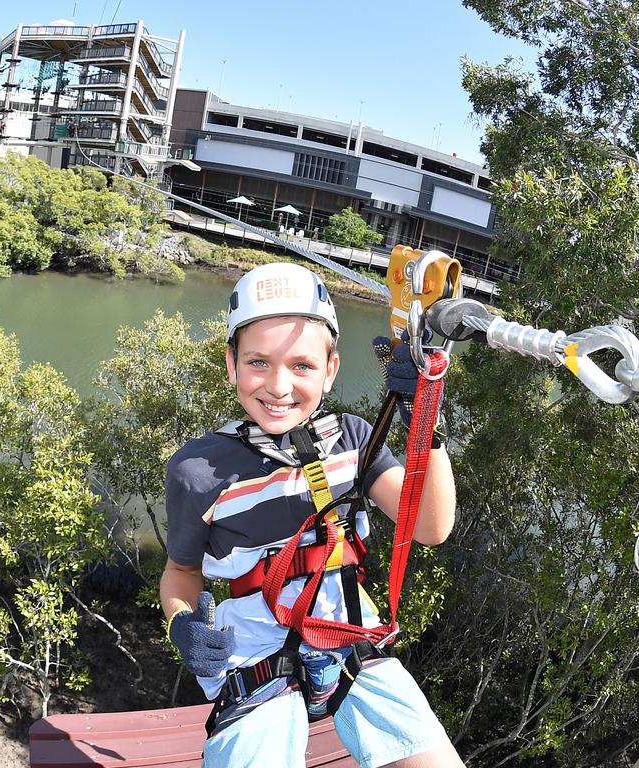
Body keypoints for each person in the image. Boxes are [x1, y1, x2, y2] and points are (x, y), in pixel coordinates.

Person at [160, 261, 465, 768]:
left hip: (348, 642)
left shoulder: (351, 440)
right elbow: (181, 572)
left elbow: (431, 527)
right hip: (253, 659)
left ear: (330, 371)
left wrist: (423, 421)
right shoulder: (200, 472)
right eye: (259, 362)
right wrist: (182, 625)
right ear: (232, 364)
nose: (279, 386)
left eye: (302, 366)